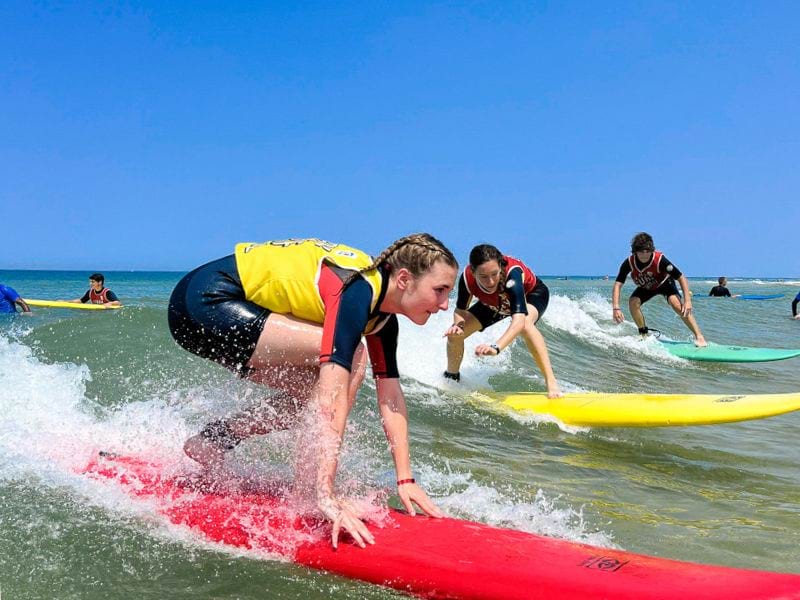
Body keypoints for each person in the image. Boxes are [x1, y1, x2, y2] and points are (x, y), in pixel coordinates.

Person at [168, 234, 458, 549]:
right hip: (206, 302)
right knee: (349, 364)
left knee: (313, 390)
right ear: (404, 279)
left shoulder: (382, 319)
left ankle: (214, 440)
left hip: (212, 306)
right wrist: (327, 495)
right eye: (439, 291)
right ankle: (311, 493)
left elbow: (391, 398)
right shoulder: (356, 291)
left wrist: (405, 479)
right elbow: (333, 400)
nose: (444, 305)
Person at [443, 244, 562, 398]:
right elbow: (460, 311)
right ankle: (452, 378)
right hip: (493, 303)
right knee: (454, 335)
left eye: (494, 274)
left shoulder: (512, 274)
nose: (491, 281)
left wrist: (496, 347)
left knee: (525, 324)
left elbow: (518, 321)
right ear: (473, 272)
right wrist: (458, 326)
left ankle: (551, 381)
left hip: (531, 295)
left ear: (500, 266)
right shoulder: (467, 279)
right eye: (483, 277)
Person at [612, 232, 707, 347]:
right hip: (646, 287)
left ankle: (699, 336)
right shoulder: (628, 263)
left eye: (648, 251)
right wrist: (616, 307)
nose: (644, 255)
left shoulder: (660, 260)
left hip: (665, 284)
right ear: (635, 251)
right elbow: (618, 284)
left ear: (652, 250)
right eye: (641, 252)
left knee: (676, 304)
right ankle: (643, 334)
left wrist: (687, 301)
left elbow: (681, 277)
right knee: (633, 302)